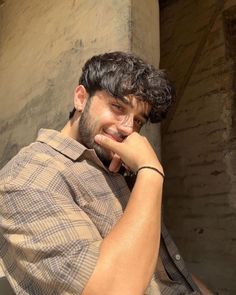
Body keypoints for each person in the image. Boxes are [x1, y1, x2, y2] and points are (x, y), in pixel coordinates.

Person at [0, 52, 212, 294]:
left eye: (138, 121)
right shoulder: (29, 178)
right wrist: (151, 172)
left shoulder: (113, 164)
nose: (127, 128)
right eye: (117, 106)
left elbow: (161, 269)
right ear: (81, 99)